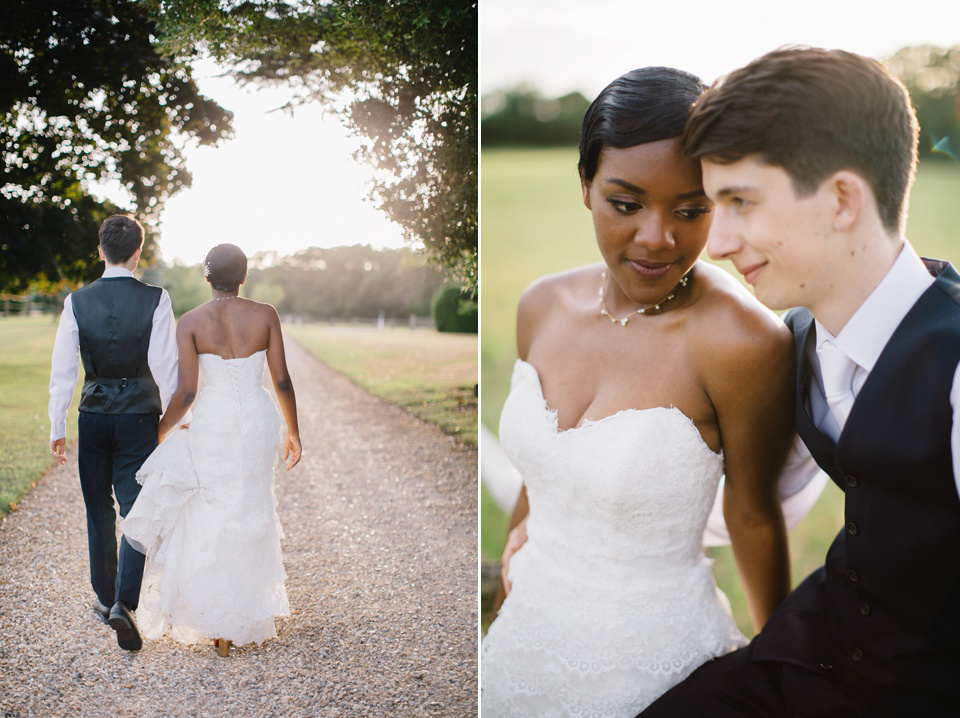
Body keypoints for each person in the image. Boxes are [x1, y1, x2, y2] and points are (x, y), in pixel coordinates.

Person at [642, 46, 960, 718]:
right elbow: (755, 503)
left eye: (740, 203)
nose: (719, 241)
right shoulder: (794, 340)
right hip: (799, 652)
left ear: (842, 198)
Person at [480, 67, 800, 716]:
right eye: (625, 205)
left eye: (691, 210)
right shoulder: (540, 305)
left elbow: (753, 515)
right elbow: (538, 476)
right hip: (522, 640)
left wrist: (781, 670)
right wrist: (502, 602)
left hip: (652, 673)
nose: (658, 238)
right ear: (586, 188)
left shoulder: (744, 343)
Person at [120, 243, 302, 656]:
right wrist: (293, 431)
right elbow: (283, 380)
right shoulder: (265, 314)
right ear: (244, 276)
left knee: (214, 509)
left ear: (207, 278)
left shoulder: (191, 321)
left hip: (215, 420)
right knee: (250, 507)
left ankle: (218, 622)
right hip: (256, 420)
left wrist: (162, 430)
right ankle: (243, 612)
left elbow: (186, 393)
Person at [48, 214, 179, 651]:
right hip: (139, 417)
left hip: (94, 416)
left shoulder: (76, 301)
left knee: (97, 508)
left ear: (100, 251)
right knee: (136, 509)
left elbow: (63, 370)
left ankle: (105, 600)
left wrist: (57, 424)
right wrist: (179, 419)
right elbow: (166, 366)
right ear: (138, 253)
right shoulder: (156, 299)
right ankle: (125, 602)